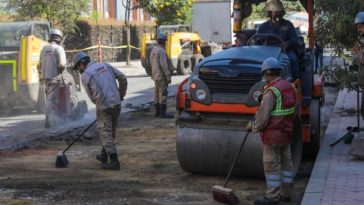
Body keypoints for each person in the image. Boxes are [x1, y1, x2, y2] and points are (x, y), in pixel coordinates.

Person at [248, 57, 297, 205]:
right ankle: (286, 193)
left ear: (268, 73)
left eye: (264, 74)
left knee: (271, 166)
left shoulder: (271, 91)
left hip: (273, 135)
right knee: (287, 164)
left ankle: (272, 197)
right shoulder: (289, 86)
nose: (264, 78)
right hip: (287, 133)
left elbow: (264, 116)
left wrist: (254, 126)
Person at [72, 52, 127, 170]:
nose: (78, 70)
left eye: (78, 67)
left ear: (82, 64)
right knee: (110, 130)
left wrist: (100, 104)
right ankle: (103, 154)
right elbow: (123, 78)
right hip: (116, 103)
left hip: (104, 106)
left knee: (105, 132)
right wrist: (121, 95)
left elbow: (92, 98)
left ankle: (114, 161)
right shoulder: (105, 65)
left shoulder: (86, 75)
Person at [257, 0, 299, 80]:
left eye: (279, 12)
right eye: (275, 12)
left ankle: (294, 81)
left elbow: (294, 39)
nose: (277, 15)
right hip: (267, 52)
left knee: (293, 59)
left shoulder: (288, 24)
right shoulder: (263, 27)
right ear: (270, 13)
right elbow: (258, 40)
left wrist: (287, 43)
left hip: (285, 52)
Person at [38, 29, 67, 128]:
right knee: (52, 101)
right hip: (53, 78)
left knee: (48, 99)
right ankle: (49, 121)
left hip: (43, 78)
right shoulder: (59, 49)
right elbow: (63, 64)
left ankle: (49, 119)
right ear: (59, 39)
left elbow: (40, 64)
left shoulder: (44, 48)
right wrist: (59, 68)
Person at [150, 33, 174, 118]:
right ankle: (163, 113)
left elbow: (151, 63)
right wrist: (168, 76)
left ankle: (157, 112)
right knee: (163, 93)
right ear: (164, 42)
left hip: (155, 75)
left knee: (156, 93)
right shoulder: (161, 51)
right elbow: (164, 65)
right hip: (161, 76)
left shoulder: (153, 50)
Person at [352, 11, 364, 120]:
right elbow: (354, 52)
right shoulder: (361, 39)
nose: (358, 29)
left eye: (360, 26)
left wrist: (358, 57)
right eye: (358, 27)